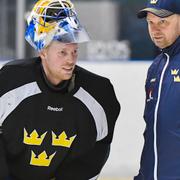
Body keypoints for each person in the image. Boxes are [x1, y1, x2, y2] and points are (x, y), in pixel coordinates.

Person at [0, 0, 120, 179]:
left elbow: (96, 152)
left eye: (75, 51)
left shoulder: (100, 93)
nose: (71, 60)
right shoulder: (10, 80)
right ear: (43, 52)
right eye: (62, 52)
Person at [135, 0, 180, 179]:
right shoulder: (156, 67)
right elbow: (153, 132)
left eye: (163, 22)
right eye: (150, 22)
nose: (155, 29)